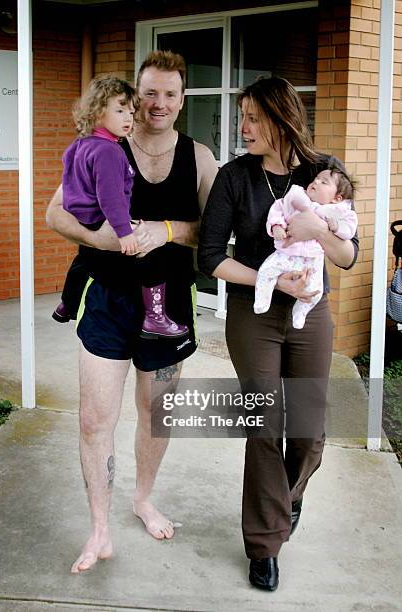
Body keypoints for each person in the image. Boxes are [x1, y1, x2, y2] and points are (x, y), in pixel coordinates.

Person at [46, 50, 218, 574]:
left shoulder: (200, 158)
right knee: (94, 418)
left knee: (155, 411)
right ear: (133, 96)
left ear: (182, 100)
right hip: (106, 301)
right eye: (148, 93)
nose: (157, 103)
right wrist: (100, 235)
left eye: (169, 94)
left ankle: (142, 498)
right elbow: (55, 213)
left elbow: (213, 233)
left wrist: (163, 230)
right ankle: (99, 529)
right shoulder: (102, 147)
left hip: (168, 304)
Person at [198, 76, 359, 591]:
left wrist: (317, 233)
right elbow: (210, 259)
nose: (242, 128)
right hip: (256, 312)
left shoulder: (322, 173)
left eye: (252, 117)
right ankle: (265, 544)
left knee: (309, 430)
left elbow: (350, 255)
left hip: (312, 312)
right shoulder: (233, 177)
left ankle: (289, 497)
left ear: (281, 117)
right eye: (240, 117)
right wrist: (269, 275)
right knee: (265, 425)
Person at [54, 74, 188, 340]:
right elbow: (111, 198)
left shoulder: (79, 145)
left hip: (82, 216)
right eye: (119, 111)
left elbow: (69, 177)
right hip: (105, 218)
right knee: (153, 256)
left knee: (84, 259)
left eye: (130, 111)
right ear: (98, 112)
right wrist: (125, 232)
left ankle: (67, 304)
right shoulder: (110, 151)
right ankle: (155, 318)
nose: (128, 118)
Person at [255, 162, 358, 328]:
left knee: (315, 291)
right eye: (316, 179)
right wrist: (277, 226)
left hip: (311, 261)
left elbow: (349, 231)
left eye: (324, 182)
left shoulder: (338, 212)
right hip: (285, 254)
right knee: (266, 271)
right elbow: (277, 209)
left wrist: (336, 228)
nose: (316, 182)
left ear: (336, 198)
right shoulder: (296, 197)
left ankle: (300, 312)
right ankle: (262, 300)